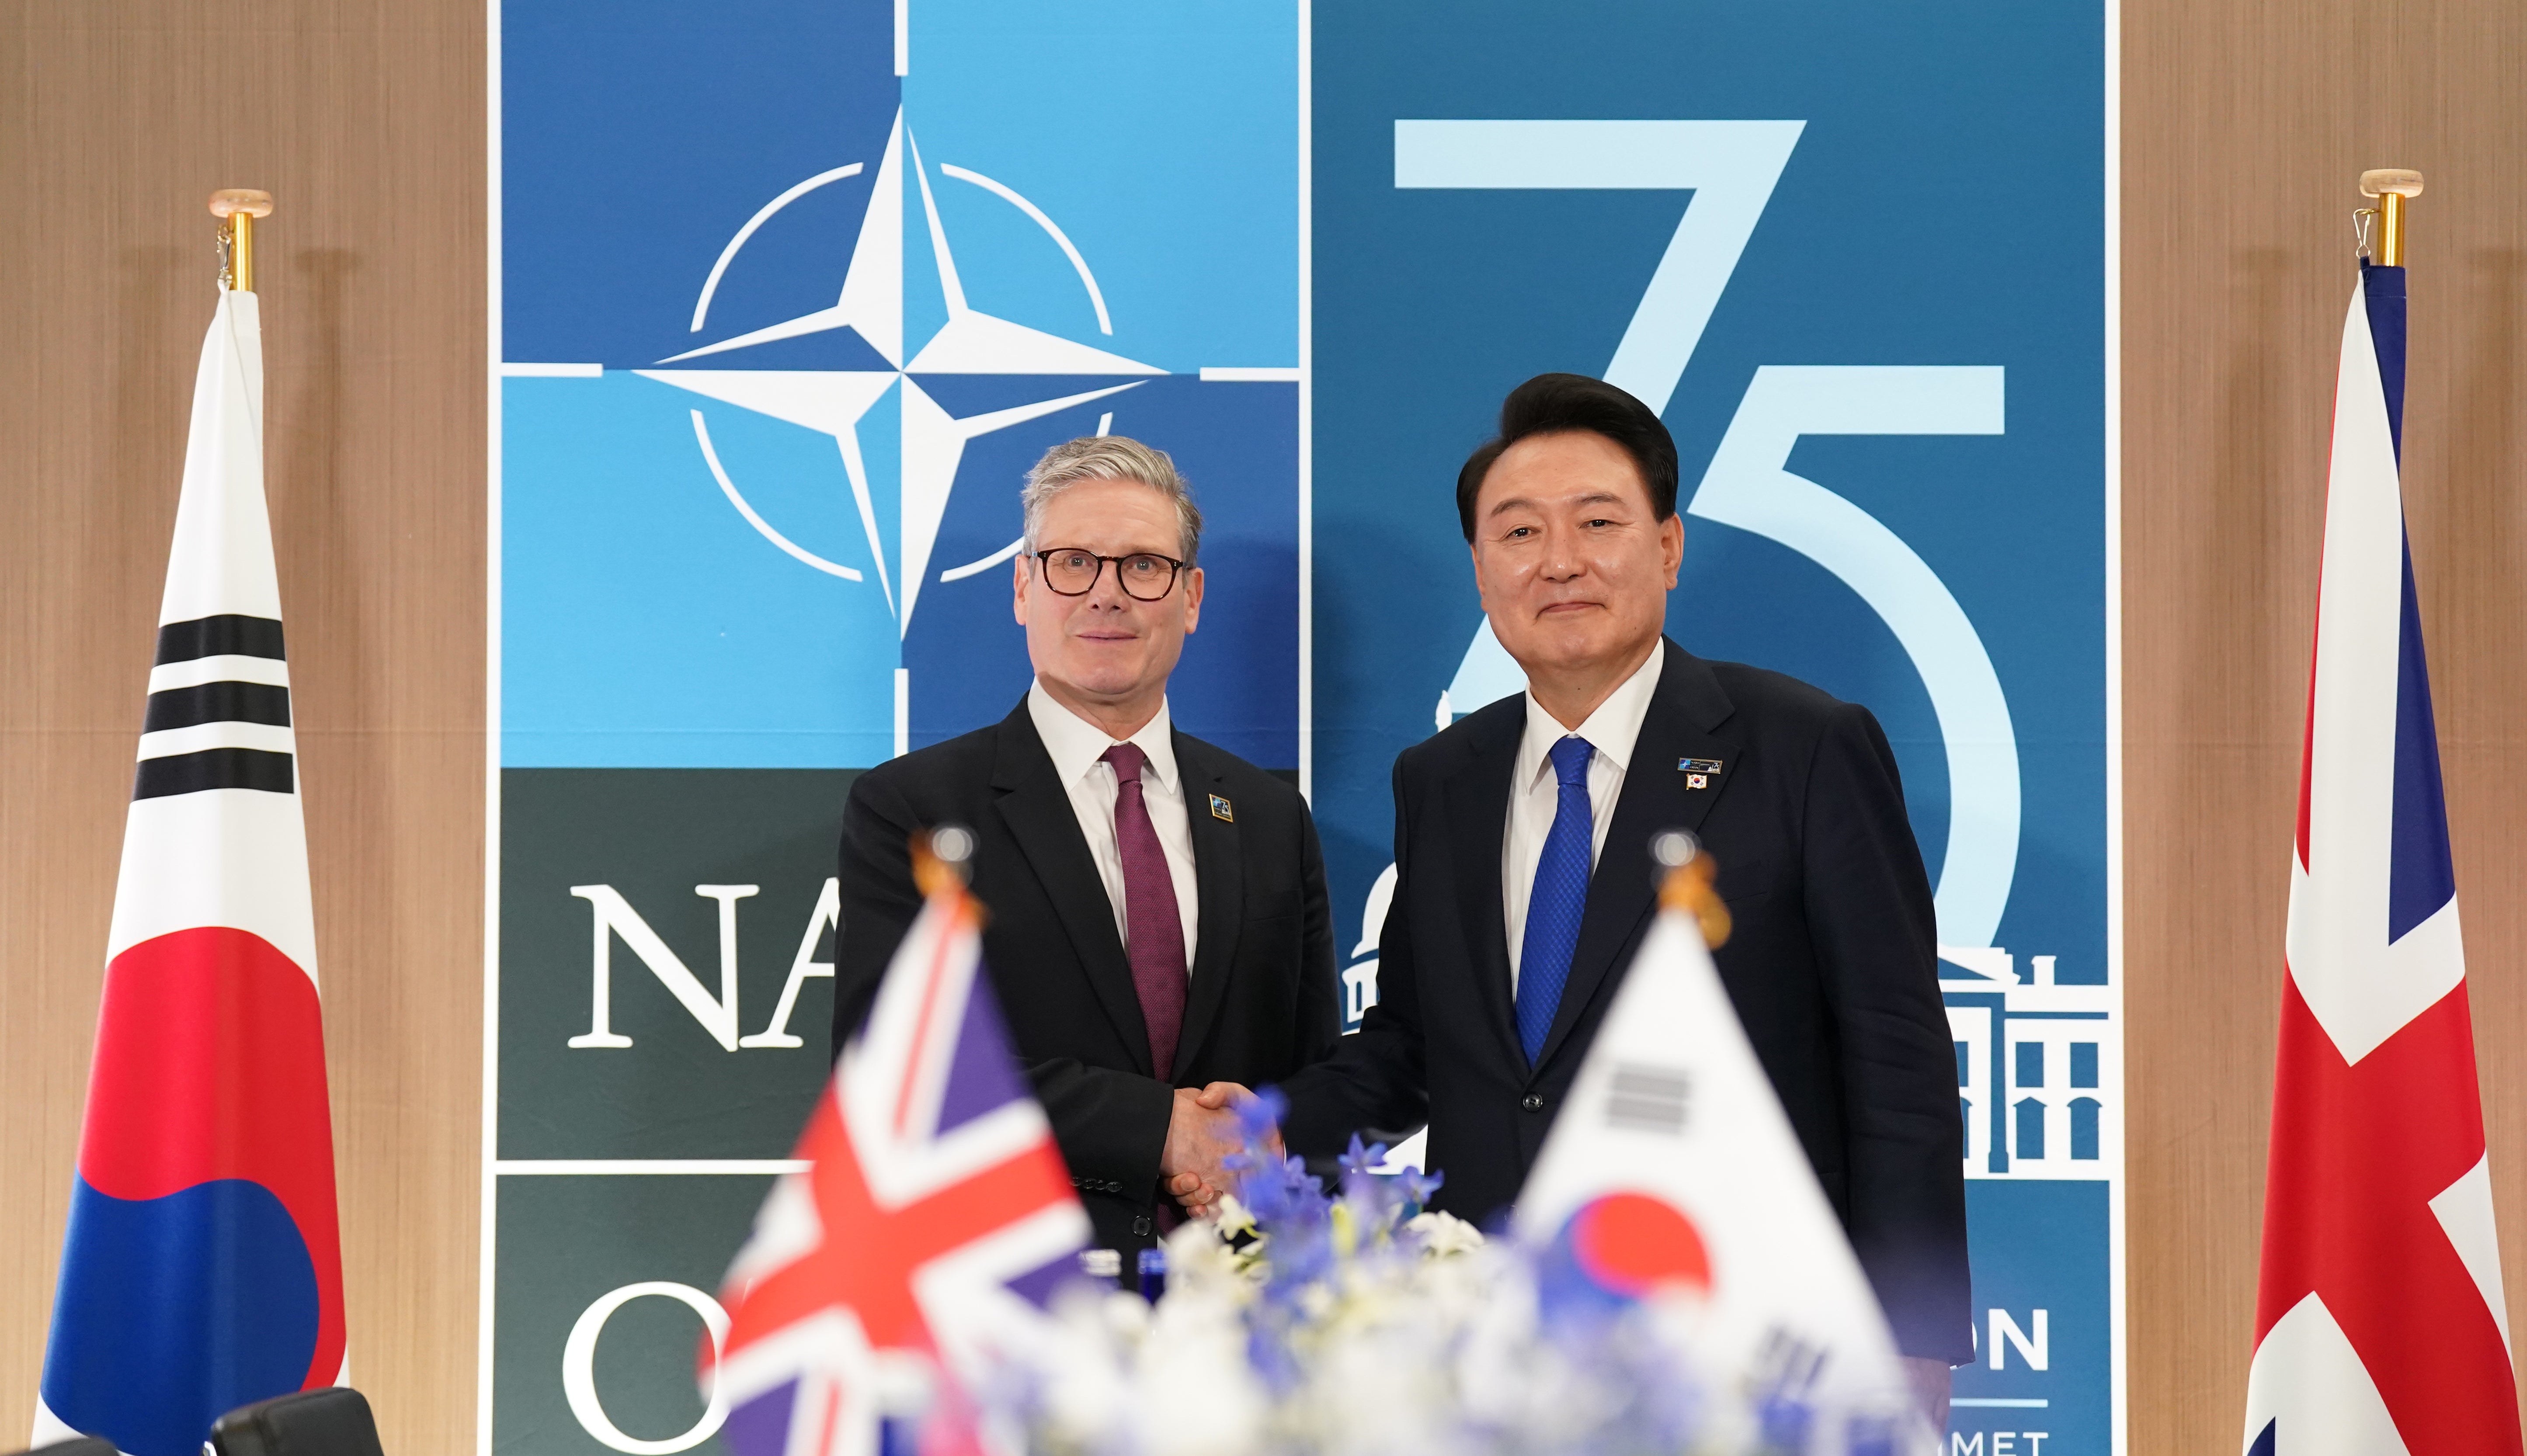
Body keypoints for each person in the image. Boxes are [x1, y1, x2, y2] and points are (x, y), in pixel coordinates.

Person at [1243, 373, 1972, 1414]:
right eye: (1519, 532)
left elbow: (1894, 1054)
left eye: (1597, 522)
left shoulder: (1802, 746)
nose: (1560, 561)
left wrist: (1910, 1336)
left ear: (1667, 548)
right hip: (1497, 1341)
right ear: (1482, 568)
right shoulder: (1441, 777)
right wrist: (1264, 1132)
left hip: (1744, 1336)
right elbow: (1412, 1042)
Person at [829, 435, 1340, 1258]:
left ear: (1192, 596)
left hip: (1239, 1315)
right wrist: (1163, 1130)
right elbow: (896, 1072)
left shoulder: (1269, 816)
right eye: (1072, 563)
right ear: (1025, 587)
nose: (1108, 595)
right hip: (1013, 1304)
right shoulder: (913, 809)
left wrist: (1256, 1145)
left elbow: (1313, 1076)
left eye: (1143, 566)